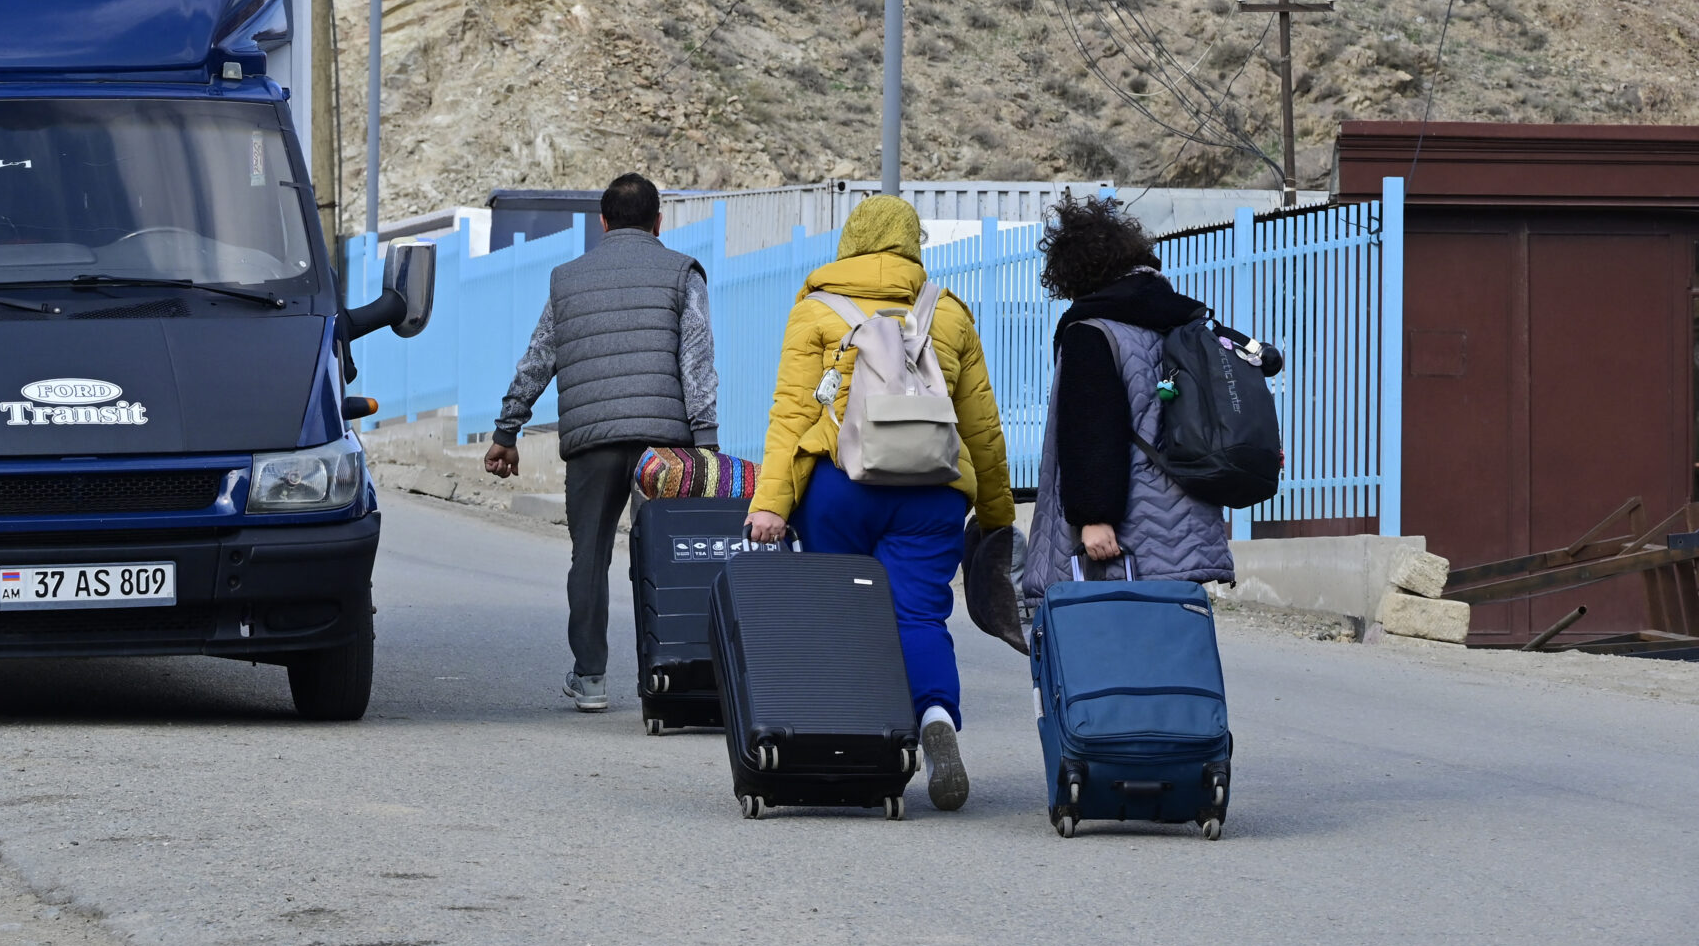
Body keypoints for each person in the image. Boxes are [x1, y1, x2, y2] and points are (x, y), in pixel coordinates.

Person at [743, 196, 1014, 812]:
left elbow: (792, 414)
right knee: (919, 618)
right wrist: (997, 515)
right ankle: (937, 716)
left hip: (842, 488)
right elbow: (982, 427)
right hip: (932, 493)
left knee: (845, 618)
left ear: (851, 241)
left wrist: (771, 505)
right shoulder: (946, 313)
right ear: (913, 243)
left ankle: (853, 744)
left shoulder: (815, 309)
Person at [486, 173, 718, 713]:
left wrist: (507, 431)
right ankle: (664, 673)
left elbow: (539, 358)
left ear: (603, 222)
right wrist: (705, 444)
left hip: (593, 443)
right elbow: (699, 361)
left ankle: (590, 678)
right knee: (662, 556)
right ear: (659, 222)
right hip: (666, 447)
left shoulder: (567, 279)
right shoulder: (683, 273)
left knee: (588, 557)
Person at [1018, 192, 1237, 603]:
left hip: (1121, 534)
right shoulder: (1181, 325)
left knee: (1110, 650)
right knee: (1167, 648)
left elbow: (1091, 429)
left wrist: (1093, 517)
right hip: (1186, 517)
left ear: (1075, 275)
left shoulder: (1092, 331)